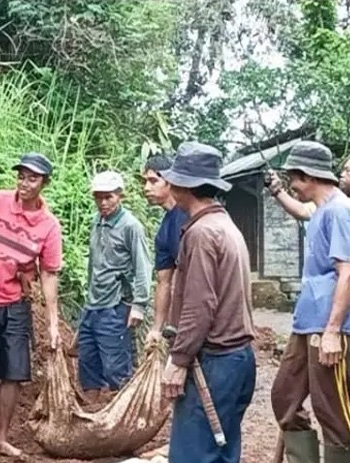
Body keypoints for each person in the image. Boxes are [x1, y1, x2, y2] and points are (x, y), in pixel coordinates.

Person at [269, 141, 350, 463]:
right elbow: (301, 210)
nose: (293, 186)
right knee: (284, 396)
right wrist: (277, 192)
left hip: (330, 326)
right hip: (308, 322)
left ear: (309, 176)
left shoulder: (341, 212)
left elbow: (347, 275)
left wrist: (333, 331)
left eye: (294, 180)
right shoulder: (322, 210)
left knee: (332, 409)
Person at [157, 142, 257, 463]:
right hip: (237, 360)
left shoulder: (201, 233)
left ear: (183, 185)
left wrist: (179, 360)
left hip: (215, 362)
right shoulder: (226, 226)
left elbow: (199, 307)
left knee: (194, 454)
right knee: (221, 451)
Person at [0, 152, 64, 458]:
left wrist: (52, 323)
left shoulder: (49, 226)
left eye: (32, 178)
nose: (24, 183)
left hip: (15, 303)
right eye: (21, 176)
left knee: (13, 372)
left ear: (44, 183)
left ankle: (1, 438)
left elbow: (49, 274)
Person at [78, 170, 152, 399]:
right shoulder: (96, 222)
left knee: (116, 367)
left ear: (120, 195)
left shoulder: (131, 226)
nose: (103, 202)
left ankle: (122, 418)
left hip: (116, 305)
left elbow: (143, 266)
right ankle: (92, 411)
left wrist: (139, 305)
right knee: (88, 364)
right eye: (98, 197)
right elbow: (94, 265)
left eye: (108, 197)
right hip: (93, 305)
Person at [140, 154, 189, 348]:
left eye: (153, 181)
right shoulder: (164, 231)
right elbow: (164, 282)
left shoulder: (190, 216)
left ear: (170, 181)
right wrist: (156, 329)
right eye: (145, 182)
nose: (146, 188)